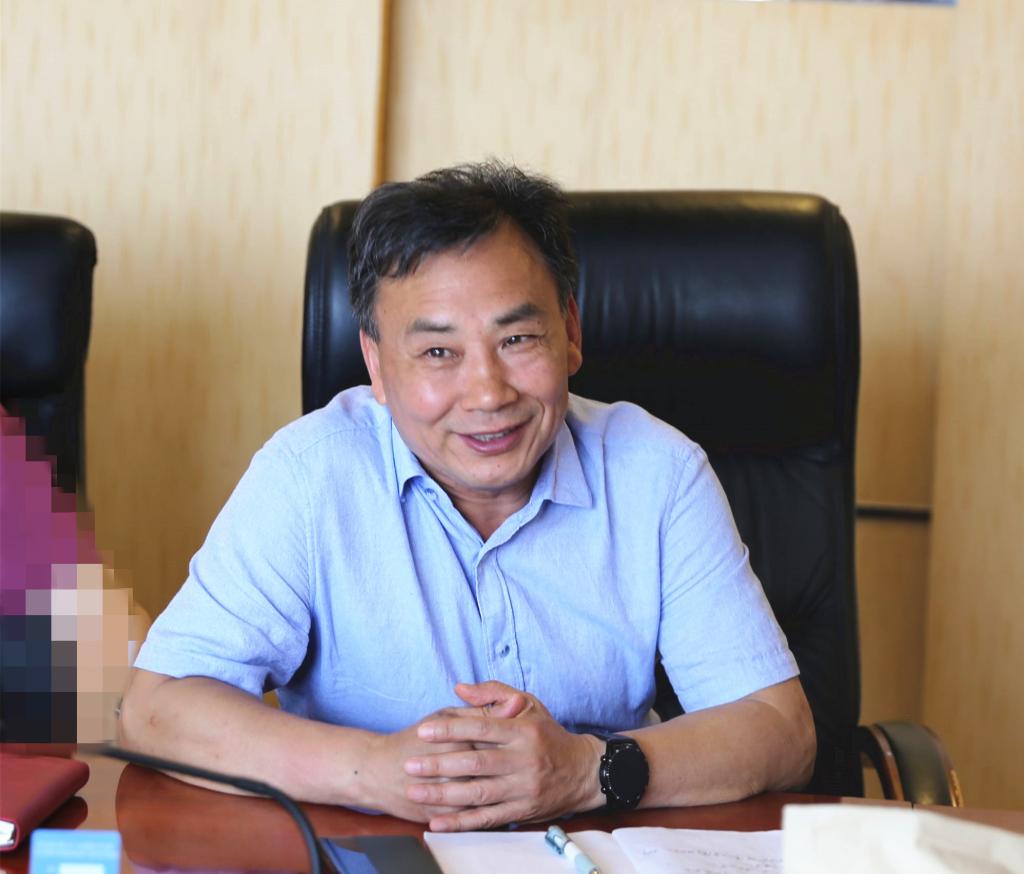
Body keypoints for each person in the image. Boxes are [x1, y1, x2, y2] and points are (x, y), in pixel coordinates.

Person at [119, 162, 814, 832]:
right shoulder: (309, 476)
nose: (487, 393)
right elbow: (157, 707)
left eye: (517, 338)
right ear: (376, 364)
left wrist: (588, 770)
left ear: (570, 333)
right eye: (438, 353)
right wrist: (376, 770)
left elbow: (781, 731)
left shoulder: (658, 473)